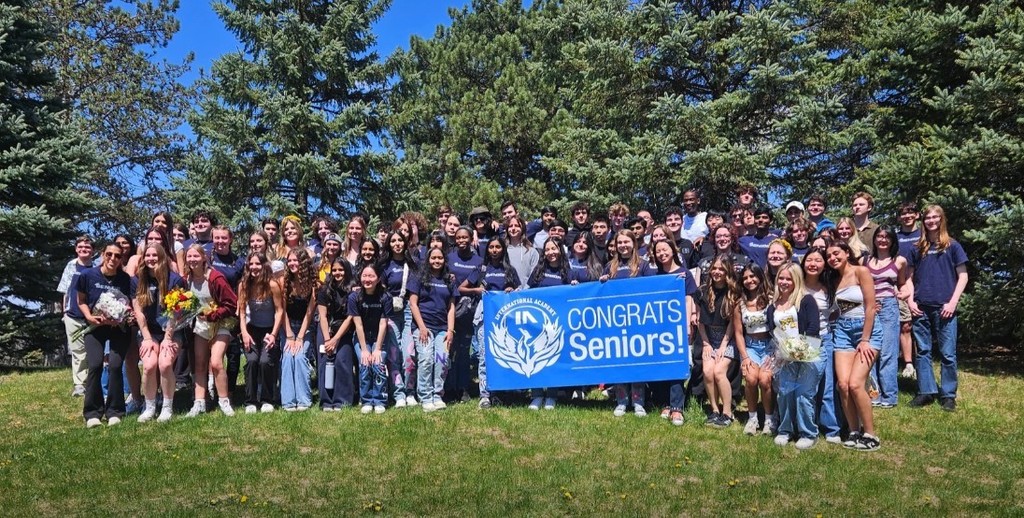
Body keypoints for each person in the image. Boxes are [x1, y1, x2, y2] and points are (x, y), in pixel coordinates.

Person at [906, 205, 968, 412]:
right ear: (923, 221)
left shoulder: (952, 246)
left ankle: (948, 394)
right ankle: (926, 391)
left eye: (935, 217)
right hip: (920, 307)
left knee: (947, 353)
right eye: (928, 218)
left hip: (945, 308)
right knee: (923, 351)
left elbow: (963, 276)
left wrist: (952, 303)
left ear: (942, 220)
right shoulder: (917, 248)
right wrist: (911, 302)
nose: (931, 221)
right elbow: (908, 278)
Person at [826, 241, 883, 451]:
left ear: (846, 252)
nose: (833, 258)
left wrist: (865, 339)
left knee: (856, 384)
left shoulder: (861, 272)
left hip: (866, 331)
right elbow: (842, 308)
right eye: (829, 256)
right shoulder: (833, 279)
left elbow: (870, 307)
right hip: (842, 330)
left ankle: (870, 434)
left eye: (836, 253)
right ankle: (853, 430)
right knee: (843, 384)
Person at [460, 236, 521, 409]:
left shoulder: (510, 269)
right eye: (491, 247)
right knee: (485, 356)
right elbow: (461, 288)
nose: (494, 250)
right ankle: (485, 394)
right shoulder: (481, 269)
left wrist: (511, 290)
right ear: (487, 250)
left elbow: (520, 292)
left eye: (498, 247)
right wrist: (476, 290)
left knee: (505, 355)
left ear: (503, 249)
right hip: (484, 316)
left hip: (505, 318)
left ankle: (501, 392)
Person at [601, 230, 656, 417]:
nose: (623, 245)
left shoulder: (643, 265)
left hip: (638, 321)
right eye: (620, 243)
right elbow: (600, 293)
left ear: (634, 243)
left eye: (627, 242)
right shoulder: (610, 266)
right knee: (620, 363)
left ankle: (638, 401)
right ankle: (622, 400)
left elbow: (654, 288)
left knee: (637, 363)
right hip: (615, 322)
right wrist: (603, 282)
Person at [76, 244, 133, 428]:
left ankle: (115, 411)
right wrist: (89, 316)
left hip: (118, 329)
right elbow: (81, 301)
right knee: (95, 365)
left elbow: (130, 304)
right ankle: (92, 413)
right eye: (109, 254)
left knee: (116, 366)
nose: (112, 259)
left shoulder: (126, 279)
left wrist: (122, 316)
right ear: (102, 255)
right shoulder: (88, 276)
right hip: (95, 328)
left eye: (117, 256)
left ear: (121, 259)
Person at [769, 263, 823, 449]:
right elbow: (772, 330)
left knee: (803, 395)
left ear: (796, 280)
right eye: (781, 278)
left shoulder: (806, 300)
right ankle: (785, 430)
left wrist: (795, 350)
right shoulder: (774, 304)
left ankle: (808, 433)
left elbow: (813, 329)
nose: (784, 282)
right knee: (785, 393)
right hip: (784, 357)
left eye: (788, 278)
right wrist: (781, 352)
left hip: (808, 354)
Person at [131, 244, 186, 423]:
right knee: (148, 365)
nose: (151, 259)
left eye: (155, 255)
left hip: (172, 330)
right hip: (149, 332)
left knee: (164, 364)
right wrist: (146, 338)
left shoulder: (175, 280)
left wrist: (168, 337)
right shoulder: (137, 280)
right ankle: (149, 407)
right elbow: (138, 311)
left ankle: (167, 407)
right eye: (148, 255)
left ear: (162, 258)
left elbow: (176, 312)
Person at [183, 243, 238, 418]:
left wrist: (214, 315)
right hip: (200, 326)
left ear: (204, 257)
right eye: (189, 256)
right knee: (199, 364)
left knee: (215, 362)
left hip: (221, 323)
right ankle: (199, 402)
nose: (192, 260)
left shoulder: (215, 278)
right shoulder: (187, 280)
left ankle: (224, 401)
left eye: (196, 256)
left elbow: (232, 304)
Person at [651, 239, 698, 426]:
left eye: (665, 249)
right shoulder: (654, 275)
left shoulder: (684, 274)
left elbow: (689, 300)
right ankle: (664, 404)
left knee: (677, 366)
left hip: (679, 326)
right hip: (659, 328)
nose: (662, 253)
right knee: (662, 365)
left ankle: (677, 408)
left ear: (673, 250)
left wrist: (687, 325)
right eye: (658, 251)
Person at [802, 245, 842, 443]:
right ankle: (808, 425)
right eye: (809, 260)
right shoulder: (796, 284)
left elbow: (835, 311)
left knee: (826, 387)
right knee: (807, 387)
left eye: (818, 260)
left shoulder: (829, 287)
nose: (813, 264)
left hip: (824, 339)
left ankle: (832, 429)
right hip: (801, 342)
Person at [408, 247, 456, 412]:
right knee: (426, 358)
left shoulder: (449, 280)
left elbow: (451, 307)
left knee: (441, 360)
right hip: (424, 327)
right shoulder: (419, 277)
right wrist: (421, 327)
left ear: (444, 260)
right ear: (428, 260)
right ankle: (425, 396)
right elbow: (413, 303)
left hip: (442, 328)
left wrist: (451, 330)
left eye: (440, 258)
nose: (436, 261)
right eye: (433, 258)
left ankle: (437, 395)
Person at [237, 252, 284, 414]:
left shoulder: (272, 285)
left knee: (265, 361)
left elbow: (279, 311)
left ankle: (267, 399)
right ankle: (250, 400)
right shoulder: (244, 285)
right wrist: (244, 333)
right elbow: (242, 312)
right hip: (251, 330)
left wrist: (274, 334)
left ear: (264, 266)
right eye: (251, 264)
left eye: (258, 264)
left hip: (269, 330)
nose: (254, 267)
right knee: (251, 361)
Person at [865, 228, 907, 409]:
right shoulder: (865, 260)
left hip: (889, 307)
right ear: (874, 240)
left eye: (887, 237)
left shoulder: (899, 261)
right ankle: (874, 394)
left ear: (892, 240)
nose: (882, 240)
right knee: (871, 352)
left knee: (888, 352)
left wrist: (903, 294)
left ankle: (889, 396)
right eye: (879, 236)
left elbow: (902, 283)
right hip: (870, 307)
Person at [696, 254, 740, 428]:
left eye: (721, 268)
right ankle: (714, 410)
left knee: (719, 372)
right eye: (714, 268)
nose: (717, 272)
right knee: (707, 371)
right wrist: (706, 343)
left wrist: (723, 345)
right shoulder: (703, 291)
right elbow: (700, 322)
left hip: (728, 339)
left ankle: (727, 413)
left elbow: (732, 324)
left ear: (728, 271)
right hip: (709, 337)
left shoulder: (734, 292)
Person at [733, 264, 775, 436]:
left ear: (760, 277)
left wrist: (776, 352)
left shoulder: (772, 299)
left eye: (752, 276)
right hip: (750, 346)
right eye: (745, 278)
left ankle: (770, 419)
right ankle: (752, 418)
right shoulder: (740, 304)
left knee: (765, 380)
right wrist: (744, 357)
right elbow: (738, 333)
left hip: (770, 345)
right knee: (751, 379)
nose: (749, 281)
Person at [381, 231, 418, 408]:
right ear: (389, 244)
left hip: (409, 311)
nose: (397, 244)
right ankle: (398, 393)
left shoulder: (413, 264)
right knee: (394, 354)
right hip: (391, 313)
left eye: (400, 241)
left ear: (405, 243)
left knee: (409, 353)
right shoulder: (384, 265)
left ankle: (410, 391)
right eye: (393, 240)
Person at [447, 226, 484, 402]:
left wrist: (471, 290)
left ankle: (463, 388)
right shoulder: (449, 258)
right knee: (449, 350)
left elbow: (475, 284)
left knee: (463, 351)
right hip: (450, 308)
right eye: (458, 238)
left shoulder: (478, 260)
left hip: (468, 312)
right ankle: (448, 387)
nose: (461, 240)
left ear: (471, 239)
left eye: (465, 238)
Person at [351, 264, 393, 414]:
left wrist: (377, 349)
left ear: (378, 279)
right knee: (365, 363)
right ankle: (366, 399)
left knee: (378, 362)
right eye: (364, 276)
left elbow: (383, 323)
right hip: (362, 338)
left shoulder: (385, 297)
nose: (367, 279)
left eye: (371, 276)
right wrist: (364, 350)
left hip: (379, 337)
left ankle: (380, 399)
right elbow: (358, 324)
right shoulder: (354, 297)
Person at [280, 248, 317, 411]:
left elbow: (310, 313)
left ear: (303, 263)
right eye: (290, 261)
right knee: (288, 356)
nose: (292, 264)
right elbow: (282, 311)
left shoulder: (313, 283)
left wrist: (300, 337)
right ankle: (288, 400)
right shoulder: (283, 281)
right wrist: (289, 336)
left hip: (305, 327)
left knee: (300, 356)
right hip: (287, 326)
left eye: (296, 261)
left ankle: (304, 399)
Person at [317, 258, 355, 411]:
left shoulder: (352, 292)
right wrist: (327, 340)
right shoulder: (325, 290)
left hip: (345, 332)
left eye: (341, 270)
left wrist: (336, 339)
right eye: (335, 270)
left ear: (346, 271)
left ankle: (342, 400)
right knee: (326, 360)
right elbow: (322, 316)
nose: (337, 273)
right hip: (327, 331)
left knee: (342, 360)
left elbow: (349, 318)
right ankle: (326, 400)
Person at [58, 236, 94, 398]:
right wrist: (64, 312)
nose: (83, 249)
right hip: (72, 314)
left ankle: (93, 381)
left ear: (92, 250)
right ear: (76, 249)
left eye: (87, 247)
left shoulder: (97, 267)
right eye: (80, 247)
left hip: (92, 316)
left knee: (92, 350)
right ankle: (79, 384)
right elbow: (65, 290)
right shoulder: (71, 266)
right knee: (78, 351)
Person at [895, 202, 921, 378]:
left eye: (911, 213)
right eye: (903, 214)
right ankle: (908, 363)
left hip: (922, 284)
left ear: (917, 215)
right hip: (901, 285)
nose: (907, 216)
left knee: (919, 326)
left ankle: (920, 362)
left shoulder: (924, 235)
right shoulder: (895, 237)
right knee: (905, 325)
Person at [505, 215, 539, 289]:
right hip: (506, 294)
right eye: (510, 226)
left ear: (522, 229)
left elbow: (534, 275)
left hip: (525, 294)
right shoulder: (502, 250)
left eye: (517, 226)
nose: (513, 228)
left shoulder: (531, 251)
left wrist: (524, 290)